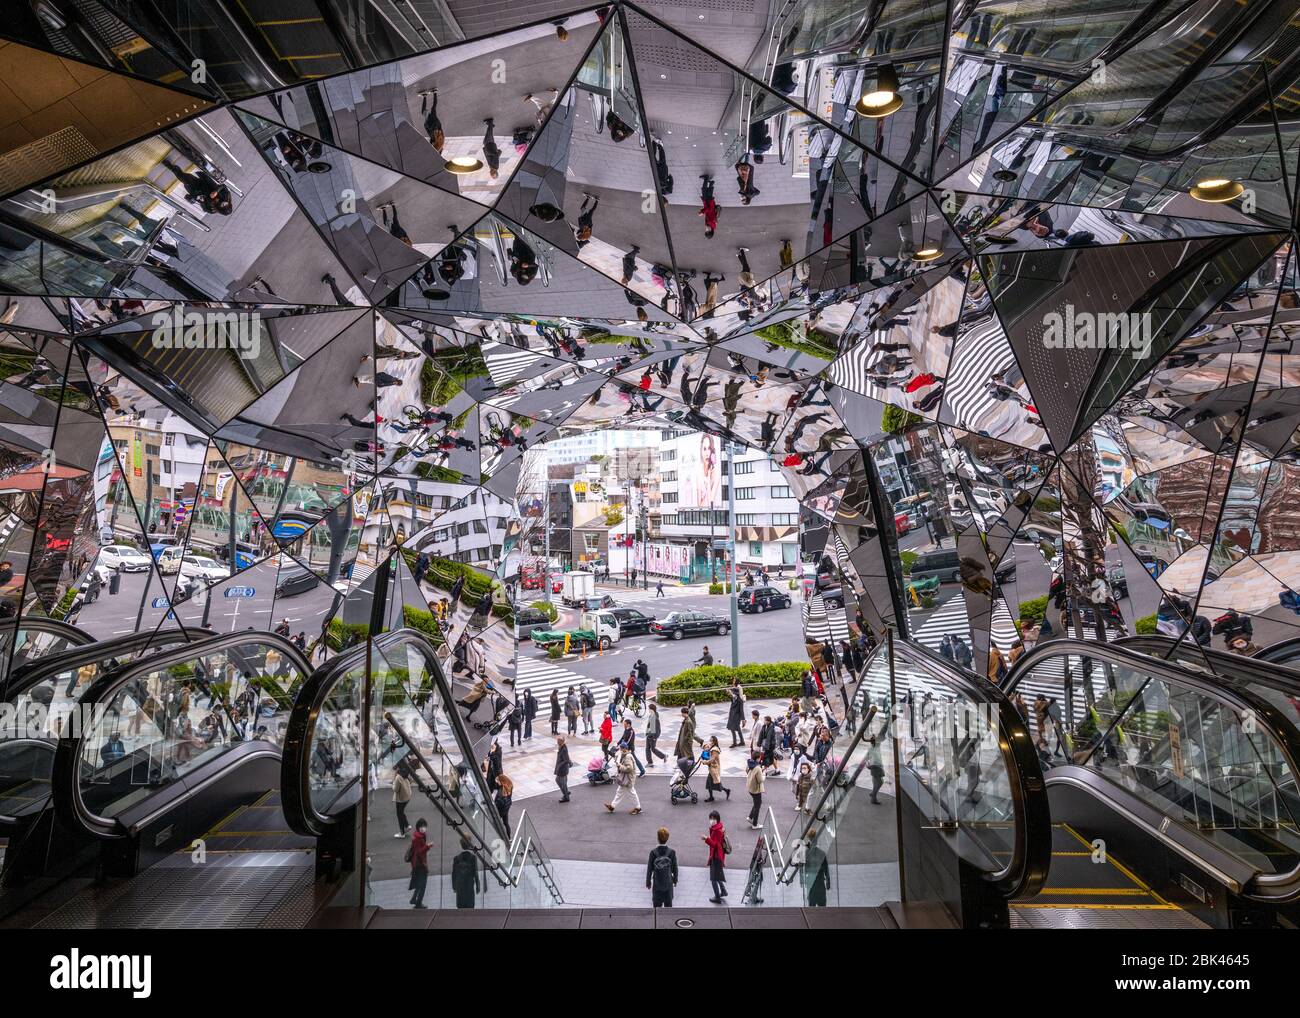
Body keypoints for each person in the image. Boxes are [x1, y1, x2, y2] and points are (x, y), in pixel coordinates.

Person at [646, 826, 678, 907]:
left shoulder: (653, 852)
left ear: (657, 838)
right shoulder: (671, 852)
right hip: (668, 885)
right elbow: (675, 868)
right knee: (668, 909)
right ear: (667, 838)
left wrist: (648, 882)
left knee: (656, 910)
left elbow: (649, 869)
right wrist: (675, 880)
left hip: (657, 885)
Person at [605, 746, 642, 814]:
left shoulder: (627, 757)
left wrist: (620, 766)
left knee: (632, 793)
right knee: (620, 792)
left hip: (628, 779)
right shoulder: (626, 755)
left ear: (624, 749)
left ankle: (638, 807)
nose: (620, 750)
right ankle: (612, 806)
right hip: (626, 778)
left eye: (621, 748)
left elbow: (629, 768)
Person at [703, 810, 728, 903]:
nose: (712, 820)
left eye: (714, 819)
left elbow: (715, 845)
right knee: (717, 875)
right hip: (717, 856)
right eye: (711, 818)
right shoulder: (717, 827)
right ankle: (723, 891)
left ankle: (717, 897)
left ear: (717, 819)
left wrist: (706, 839)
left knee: (713, 878)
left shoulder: (717, 831)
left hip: (716, 857)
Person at [451, 835, 479, 909]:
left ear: (461, 844)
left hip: (459, 885)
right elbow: (475, 873)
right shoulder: (473, 857)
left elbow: (454, 874)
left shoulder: (456, 858)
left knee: (460, 906)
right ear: (470, 845)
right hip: (469, 884)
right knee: (470, 906)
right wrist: (478, 885)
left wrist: (454, 886)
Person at [407, 818, 430, 908]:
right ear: (418, 827)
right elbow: (419, 852)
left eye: (424, 826)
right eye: (421, 826)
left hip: (418, 864)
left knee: (419, 882)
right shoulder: (418, 838)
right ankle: (418, 903)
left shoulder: (420, 836)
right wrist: (427, 846)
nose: (423, 828)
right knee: (423, 885)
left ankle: (413, 899)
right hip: (420, 865)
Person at [703, 735, 731, 802]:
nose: (710, 742)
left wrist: (705, 762)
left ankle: (712, 797)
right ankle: (726, 791)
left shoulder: (715, 750)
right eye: (710, 740)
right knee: (714, 783)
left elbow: (712, 759)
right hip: (712, 768)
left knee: (710, 783)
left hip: (714, 768)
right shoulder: (712, 748)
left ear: (714, 742)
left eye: (711, 740)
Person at [392, 762, 413, 838]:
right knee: (401, 812)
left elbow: (395, 789)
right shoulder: (406, 773)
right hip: (407, 796)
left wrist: (393, 782)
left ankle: (402, 833)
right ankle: (407, 825)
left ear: (398, 768)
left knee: (399, 815)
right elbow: (411, 781)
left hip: (400, 799)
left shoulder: (398, 777)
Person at [644, 702, 667, 766]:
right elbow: (649, 726)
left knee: (653, 749)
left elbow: (658, 729)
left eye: (649, 709)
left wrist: (654, 737)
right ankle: (650, 762)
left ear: (652, 709)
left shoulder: (655, 718)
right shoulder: (651, 716)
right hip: (649, 735)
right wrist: (647, 733)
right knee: (647, 748)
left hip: (652, 737)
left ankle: (663, 756)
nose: (648, 710)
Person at [746, 756, 765, 829]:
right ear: (757, 758)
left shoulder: (749, 764)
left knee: (757, 803)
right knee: (758, 806)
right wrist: (764, 776)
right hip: (756, 789)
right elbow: (760, 780)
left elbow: (748, 771)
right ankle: (755, 824)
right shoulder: (757, 767)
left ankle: (750, 817)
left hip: (750, 787)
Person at [726, 678, 745, 747]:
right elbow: (733, 698)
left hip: (736, 716)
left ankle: (738, 742)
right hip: (732, 714)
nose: (732, 682)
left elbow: (741, 709)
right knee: (733, 728)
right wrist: (730, 694)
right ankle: (738, 741)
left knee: (735, 728)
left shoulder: (740, 700)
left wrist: (743, 719)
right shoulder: (735, 698)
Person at [555, 735, 572, 802]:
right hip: (563, 769)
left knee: (560, 782)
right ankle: (566, 792)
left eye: (558, 741)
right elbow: (567, 758)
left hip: (562, 769)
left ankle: (566, 796)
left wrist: (559, 765)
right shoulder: (562, 747)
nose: (557, 742)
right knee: (562, 782)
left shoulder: (563, 748)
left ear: (561, 741)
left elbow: (566, 759)